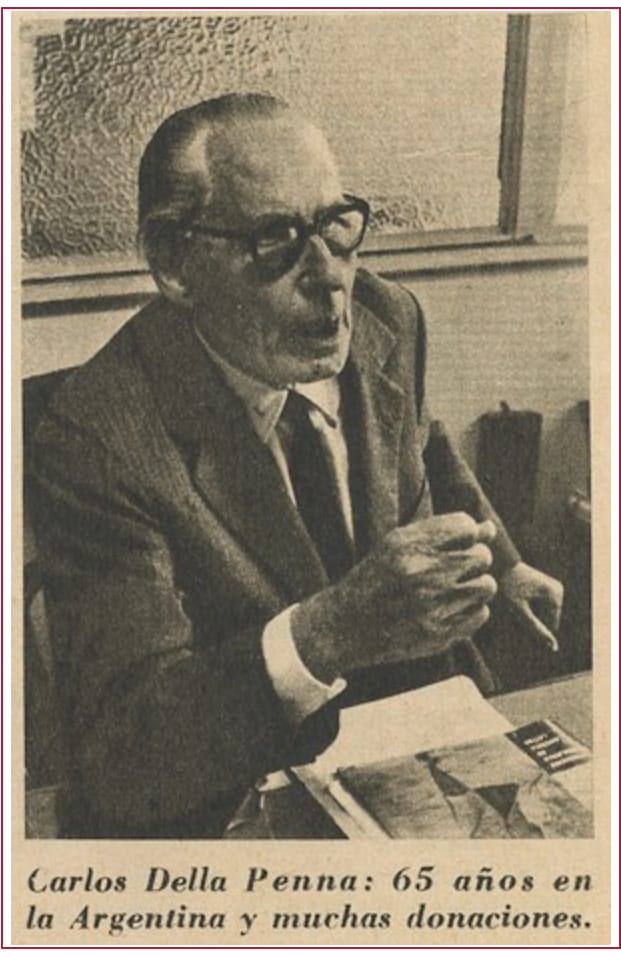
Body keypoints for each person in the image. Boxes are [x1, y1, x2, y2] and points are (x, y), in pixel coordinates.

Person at [30, 92, 563, 839]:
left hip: (411, 731)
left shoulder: (385, 317)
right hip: (234, 797)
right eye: (276, 239)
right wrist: (325, 633)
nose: (329, 277)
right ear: (174, 263)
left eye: (336, 224)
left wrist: (504, 561)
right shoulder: (96, 438)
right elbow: (129, 754)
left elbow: (422, 441)